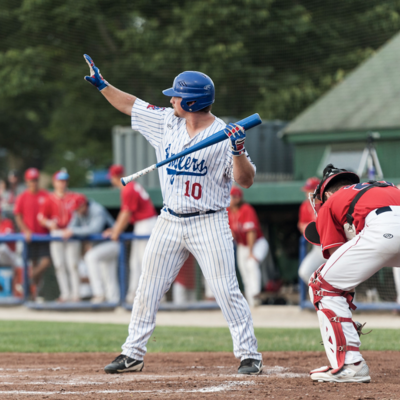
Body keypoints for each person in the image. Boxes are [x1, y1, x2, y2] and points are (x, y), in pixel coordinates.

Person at [84, 55, 263, 375]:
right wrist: (102, 84)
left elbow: (246, 181)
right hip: (169, 219)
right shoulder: (167, 120)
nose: (171, 99)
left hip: (209, 220)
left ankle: (249, 354)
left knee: (225, 289)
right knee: (147, 287)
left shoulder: (224, 135)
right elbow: (130, 104)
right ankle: (132, 353)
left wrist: (237, 151)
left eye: (177, 95)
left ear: (192, 102)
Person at [304, 163, 400, 383]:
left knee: (320, 284)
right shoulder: (385, 187)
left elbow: (336, 276)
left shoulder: (331, 202)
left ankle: (351, 364)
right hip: (387, 222)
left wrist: (343, 314)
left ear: (327, 193)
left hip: (383, 228)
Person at [105, 164, 157, 304]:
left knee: (143, 262)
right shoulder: (131, 185)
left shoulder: (128, 189)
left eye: (112, 178)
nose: (112, 181)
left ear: (115, 177)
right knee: (136, 262)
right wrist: (115, 229)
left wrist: (116, 231)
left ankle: (146, 296)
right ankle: (134, 294)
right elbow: (126, 214)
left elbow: (126, 213)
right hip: (144, 224)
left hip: (146, 225)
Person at [60, 195, 118, 303]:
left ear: (83, 205)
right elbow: (71, 227)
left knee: (91, 258)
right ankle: (113, 300)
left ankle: (99, 294)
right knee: (108, 273)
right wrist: (72, 230)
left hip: (113, 242)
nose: (76, 211)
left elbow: (95, 230)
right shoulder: (78, 212)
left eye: (78, 208)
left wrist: (74, 231)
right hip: (99, 245)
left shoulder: (97, 209)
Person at [38, 170, 81, 302]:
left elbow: (82, 213)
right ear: (55, 182)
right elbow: (40, 217)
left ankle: (76, 294)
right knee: (59, 265)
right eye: (60, 181)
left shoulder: (75, 197)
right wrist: (49, 223)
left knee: (73, 264)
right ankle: (65, 294)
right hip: (56, 233)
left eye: (64, 181)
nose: (63, 184)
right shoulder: (49, 198)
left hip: (71, 232)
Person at [228, 186, 269, 307]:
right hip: (242, 245)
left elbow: (251, 232)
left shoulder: (246, 209)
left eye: (230, 197)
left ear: (237, 198)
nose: (228, 200)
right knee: (245, 274)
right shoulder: (228, 211)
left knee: (251, 263)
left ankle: (256, 293)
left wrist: (251, 252)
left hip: (257, 243)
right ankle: (252, 304)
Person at [14, 168, 51, 294]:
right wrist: (26, 230)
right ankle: (33, 294)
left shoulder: (45, 195)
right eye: (31, 180)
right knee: (33, 264)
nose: (33, 183)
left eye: (35, 180)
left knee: (46, 262)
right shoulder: (22, 196)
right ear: (27, 181)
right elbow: (17, 216)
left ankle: (26, 282)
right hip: (29, 237)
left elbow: (50, 213)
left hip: (44, 236)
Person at [297, 177, 325, 284]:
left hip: (332, 248)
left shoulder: (326, 204)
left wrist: (310, 226)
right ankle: (323, 293)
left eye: (310, 190)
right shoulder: (304, 206)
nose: (307, 193)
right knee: (304, 272)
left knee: (341, 280)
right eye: (307, 190)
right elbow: (301, 226)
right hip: (317, 248)